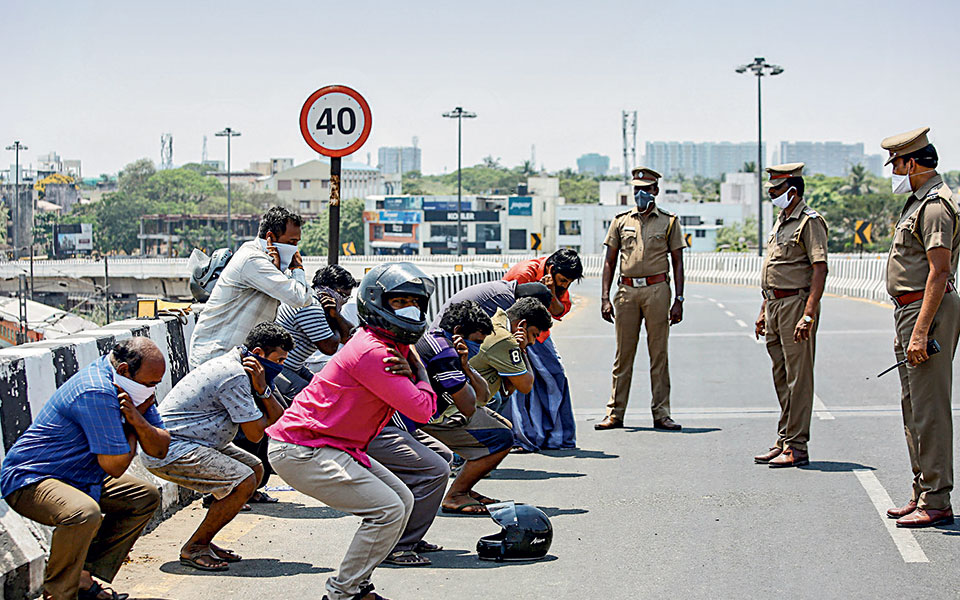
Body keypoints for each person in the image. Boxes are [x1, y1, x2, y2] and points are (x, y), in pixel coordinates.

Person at [266, 263, 438, 600]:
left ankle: (357, 586)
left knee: (401, 500)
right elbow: (422, 409)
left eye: (414, 302)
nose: (408, 309)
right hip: (304, 449)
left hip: (333, 445)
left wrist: (415, 368)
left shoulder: (386, 342)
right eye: (398, 302)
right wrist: (420, 372)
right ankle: (342, 593)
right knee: (386, 510)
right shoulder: (376, 352)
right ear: (376, 302)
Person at [1, 338, 171, 600]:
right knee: (83, 513)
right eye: (149, 384)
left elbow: (160, 447)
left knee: (144, 497)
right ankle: (59, 594)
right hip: (33, 478)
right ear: (125, 370)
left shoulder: (135, 389)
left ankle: (83, 576)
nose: (152, 390)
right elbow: (114, 466)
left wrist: (137, 418)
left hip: (82, 476)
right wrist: (134, 423)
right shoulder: (97, 391)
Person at [142, 323, 290, 571]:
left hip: (198, 442)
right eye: (279, 359)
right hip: (170, 447)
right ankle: (195, 547)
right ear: (259, 353)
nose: (282, 366)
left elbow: (280, 415)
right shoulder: (235, 375)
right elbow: (256, 434)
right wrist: (263, 392)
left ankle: (207, 538)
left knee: (254, 469)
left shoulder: (254, 371)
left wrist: (264, 389)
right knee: (243, 481)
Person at [880, 127, 960, 528]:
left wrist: (919, 330)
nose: (893, 170)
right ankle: (922, 488)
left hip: (925, 313)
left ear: (912, 162)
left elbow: (938, 270)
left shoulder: (934, 206)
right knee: (913, 409)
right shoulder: (918, 204)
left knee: (929, 410)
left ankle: (937, 497)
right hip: (910, 311)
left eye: (896, 163)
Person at [597, 166, 686, 431]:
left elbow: (678, 262)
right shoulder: (621, 221)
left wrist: (679, 299)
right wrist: (605, 297)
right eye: (637, 190)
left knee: (658, 354)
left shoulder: (669, 221)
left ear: (656, 191)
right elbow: (609, 262)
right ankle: (615, 412)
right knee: (623, 355)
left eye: (646, 190)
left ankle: (662, 413)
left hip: (657, 290)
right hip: (626, 291)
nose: (641, 194)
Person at [752, 163, 828, 468]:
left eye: (776, 190)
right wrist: (762, 310)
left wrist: (808, 314)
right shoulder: (781, 222)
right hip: (773, 305)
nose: (772, 195)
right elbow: (773, 270)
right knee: (781, 376)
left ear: (792, 190)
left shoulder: (809, 222)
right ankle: (784, 438)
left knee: (799, 378)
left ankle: (797, 445)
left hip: (796, 304)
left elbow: (819, 268)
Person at [416, 301, 515, 516]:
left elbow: (483, 395)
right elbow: (470, 407)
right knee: (502, 438)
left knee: (503, 425)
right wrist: (460, 364)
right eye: (476, 342)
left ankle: (465, 487)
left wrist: (466, 365)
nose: (477, 348)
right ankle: (456, 495)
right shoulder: (444, 352)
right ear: (459, 332)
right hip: (428, 417)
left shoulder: (439, 340)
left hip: (439, 409)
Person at [189, 206, 312, 369]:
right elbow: (299, 297)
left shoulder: (270, 266)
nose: (296, 251)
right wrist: (297, 269)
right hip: (216, 357)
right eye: (291, 243)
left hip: (239, 359)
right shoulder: (252, 259)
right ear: (270, 238)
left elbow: (305, 297)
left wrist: (282, 271)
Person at [501, 249, 582, 450]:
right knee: (519, 385)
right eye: (563, 280)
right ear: (551, 269)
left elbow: (558, 310)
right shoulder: (523, 274)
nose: (566, 285)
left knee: (554, 377)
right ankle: (521, 437)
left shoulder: (559, 281)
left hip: (539, 334)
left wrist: (552, 290)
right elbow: (512, 314)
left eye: (569, 283)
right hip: (515, 332)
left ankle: (558, 437)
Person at [274, 264, 359, 398]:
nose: (343, 301)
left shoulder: (317, 304)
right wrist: (333, 316)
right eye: (342, 296)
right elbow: (330, 347)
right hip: (280, 367)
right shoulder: (310, 307)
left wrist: (335, 315)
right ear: (328, 290)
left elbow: (349, 338)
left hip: (295, 365)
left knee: (323, 387)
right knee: (313, 399)